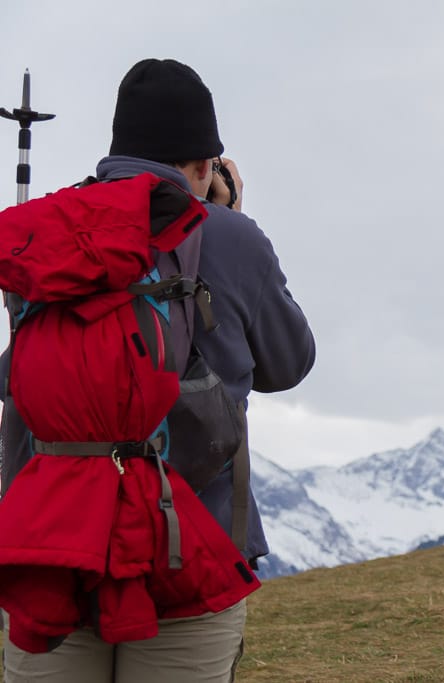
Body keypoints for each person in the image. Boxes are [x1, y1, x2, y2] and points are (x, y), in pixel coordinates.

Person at [0, 59, 316, 682]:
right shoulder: (230, 236)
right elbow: (288, 363)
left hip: (52, 544)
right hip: (192, 546)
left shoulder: (48, 234)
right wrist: (232, 218)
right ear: (204, 165)